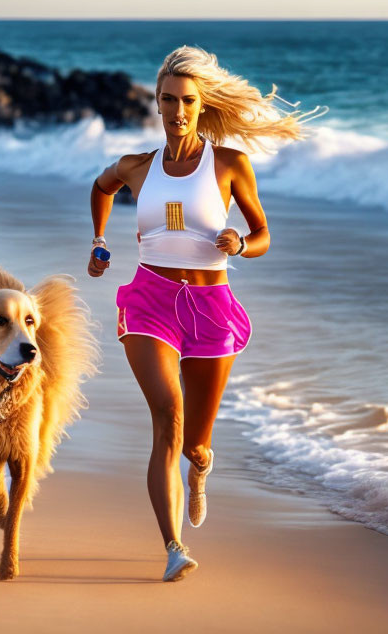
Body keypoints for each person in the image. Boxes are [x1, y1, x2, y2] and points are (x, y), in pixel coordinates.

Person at [87, 46, 307, 582]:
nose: (177, 110)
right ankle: (173, 546)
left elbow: (263, 235)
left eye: (187, 100)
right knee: (167, 417)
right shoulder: (137, 167)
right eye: (167, 100)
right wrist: (98, 241)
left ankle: (201, 464)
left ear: (201, 104)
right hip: (149, 301)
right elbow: (101, 186)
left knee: (195, 442)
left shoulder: (230, 165)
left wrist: (239, 244)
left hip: (211, 306)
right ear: (156, 104)